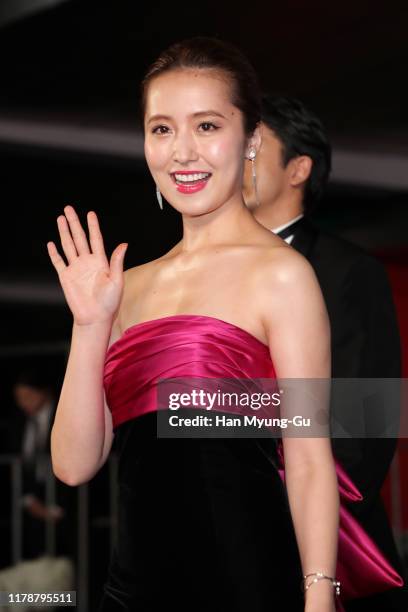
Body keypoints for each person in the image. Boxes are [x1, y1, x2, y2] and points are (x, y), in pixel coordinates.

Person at [48, 38, 340, 612]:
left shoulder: (281, 276)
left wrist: (319, 597)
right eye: (161, 129)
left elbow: (308, 458)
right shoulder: (122, 287)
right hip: (131, 593)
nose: (182, 152)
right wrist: (90, 325)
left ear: (250, 139)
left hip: (247, 587)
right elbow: (74, 465)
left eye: (206, 126)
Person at [242, 94, 407, 611]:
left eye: (253, 147)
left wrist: (294, 518)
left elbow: (366, 426)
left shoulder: (349, 272)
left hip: (323, 541)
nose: (233, 158)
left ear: (299, 168)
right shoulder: (197, 274)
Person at [11, 369, 66, 559]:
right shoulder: (19, 423)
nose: (22, 402)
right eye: (19, 397)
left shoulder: (64, 413)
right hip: (32, 502)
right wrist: (28, 499)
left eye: (28, 395)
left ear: (44, 391)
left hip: (65, 500)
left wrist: (59, 505)